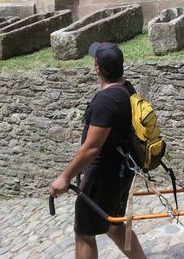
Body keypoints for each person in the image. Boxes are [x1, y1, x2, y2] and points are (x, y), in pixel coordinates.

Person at [49, 42, 146, 259]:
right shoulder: (127, 90)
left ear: (97, 67)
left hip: (103, 175)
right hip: (123, 171)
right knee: (115, 225)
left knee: (84, 233)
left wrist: (65, 177)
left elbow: (92, 147)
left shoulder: (106, 101)